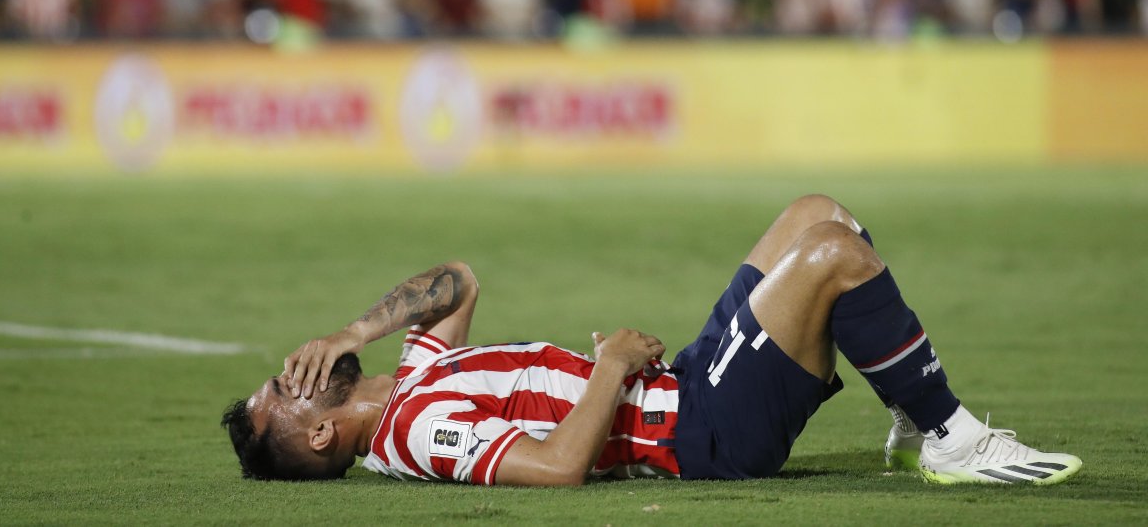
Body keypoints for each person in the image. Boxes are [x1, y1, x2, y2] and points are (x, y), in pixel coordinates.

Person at [221, 195, 1082, 486]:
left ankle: (905, 416)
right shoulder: (414, 434)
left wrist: (352, 327)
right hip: (703, 431)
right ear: (320, 432)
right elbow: (557, 469)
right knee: (833, 256)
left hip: (686, 381)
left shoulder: (413, 377)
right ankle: (953, 435)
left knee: (815, 213)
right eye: (284, 388)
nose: (293, 369)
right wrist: (609, 367)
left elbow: (458, 279)